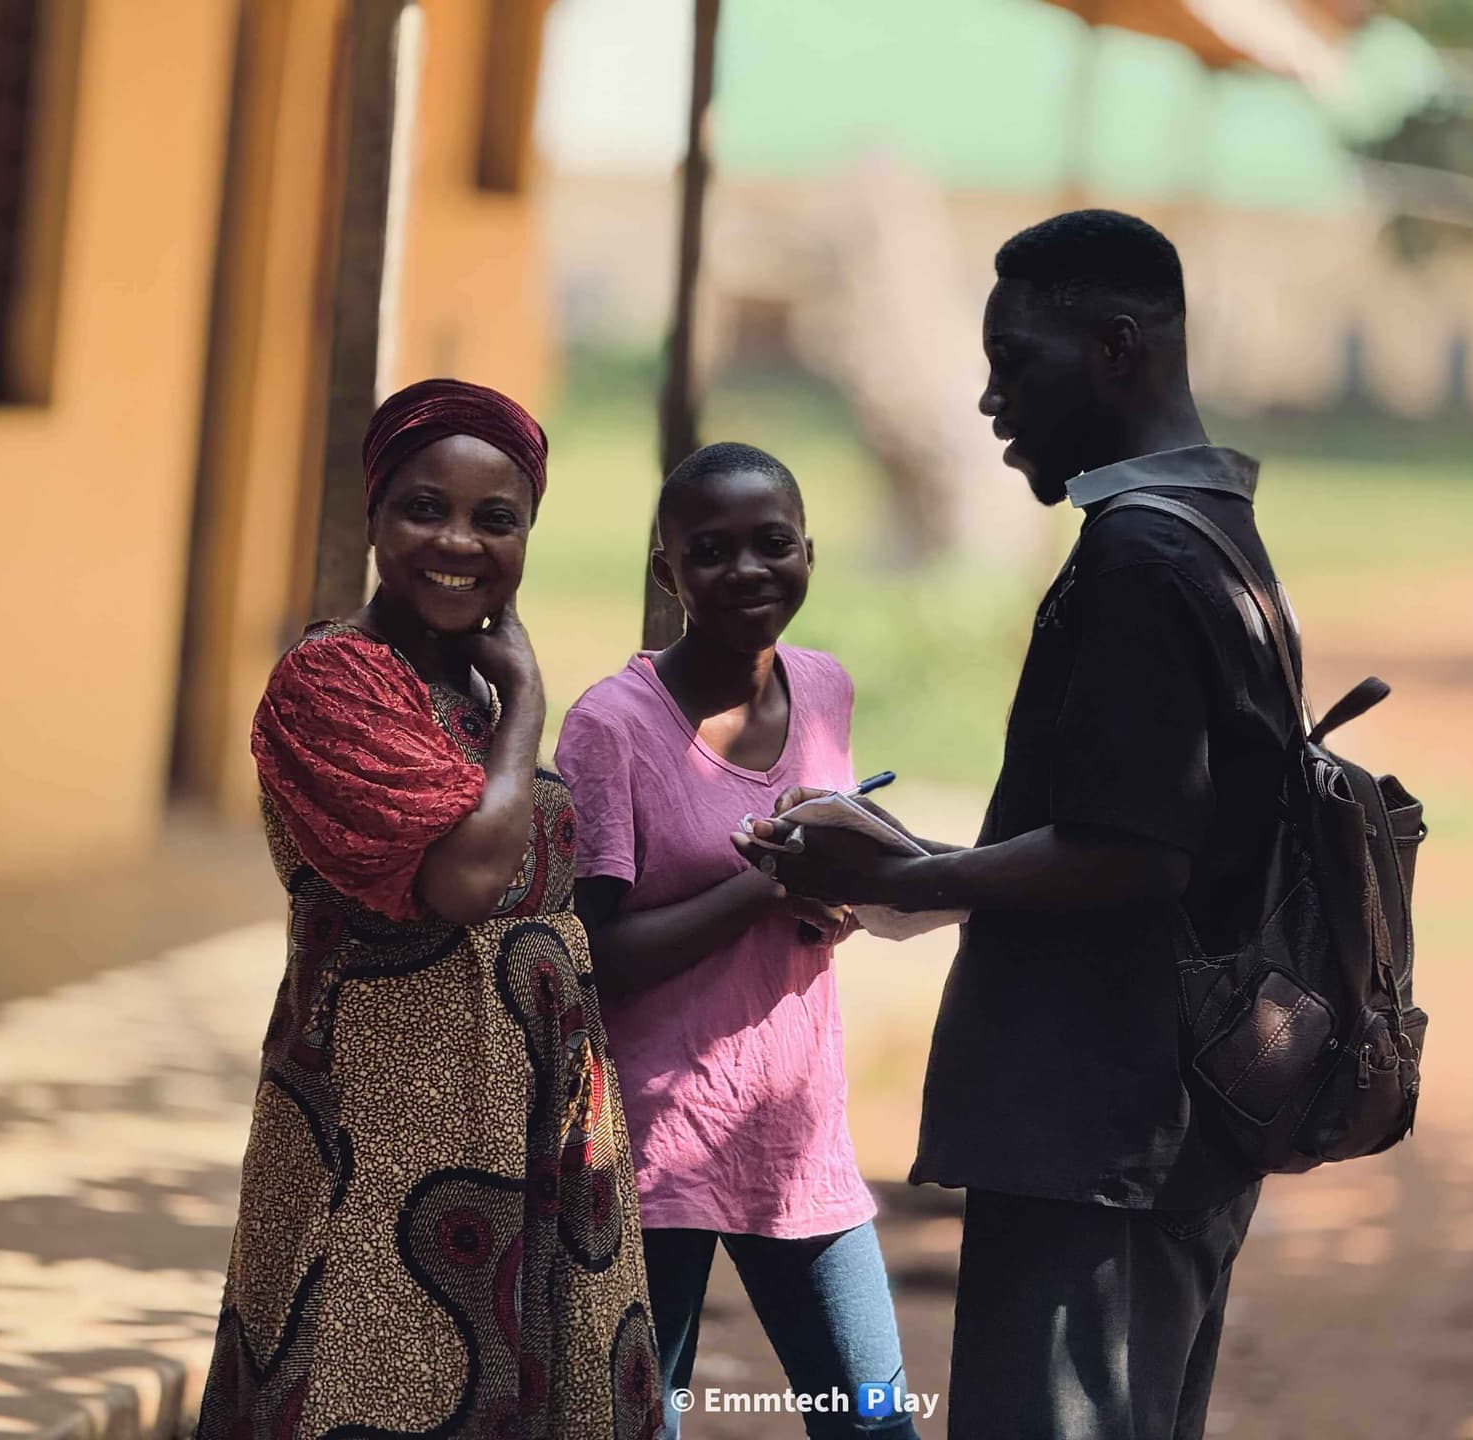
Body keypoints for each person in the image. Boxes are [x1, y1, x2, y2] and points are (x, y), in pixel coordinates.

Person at [737, 211, 1296, 1440]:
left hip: (1102, 1126)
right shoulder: (1214, 532)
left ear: (1113, 350)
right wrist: (913, 868)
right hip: (1170, 1118)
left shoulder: (1145, 563)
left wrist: (915, 875)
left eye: (1014, 362)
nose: (990, 400)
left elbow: (1132, 855)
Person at [196, 379, 659, 1440]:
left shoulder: (467, 685)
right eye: (424, 508)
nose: (458, 541)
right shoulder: (332, 685)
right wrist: (531, 704)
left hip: (526, 1107)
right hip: (389, 1128)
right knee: (380, 1379)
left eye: (496, 519)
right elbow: (462, 882)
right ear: (372, 517)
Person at [555, 443, 920, 1440]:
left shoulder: (825, 688)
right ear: (666, 569)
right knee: (639, 1421)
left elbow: (810, 891)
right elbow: (601, 953)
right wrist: (765, 886)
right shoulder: (611, 726)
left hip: (797, 1129)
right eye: (711, 551)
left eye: (773, 545)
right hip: (656, 1138)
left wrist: (826, 897)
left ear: (810, 551)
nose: (748, 572)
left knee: (874, 1419)